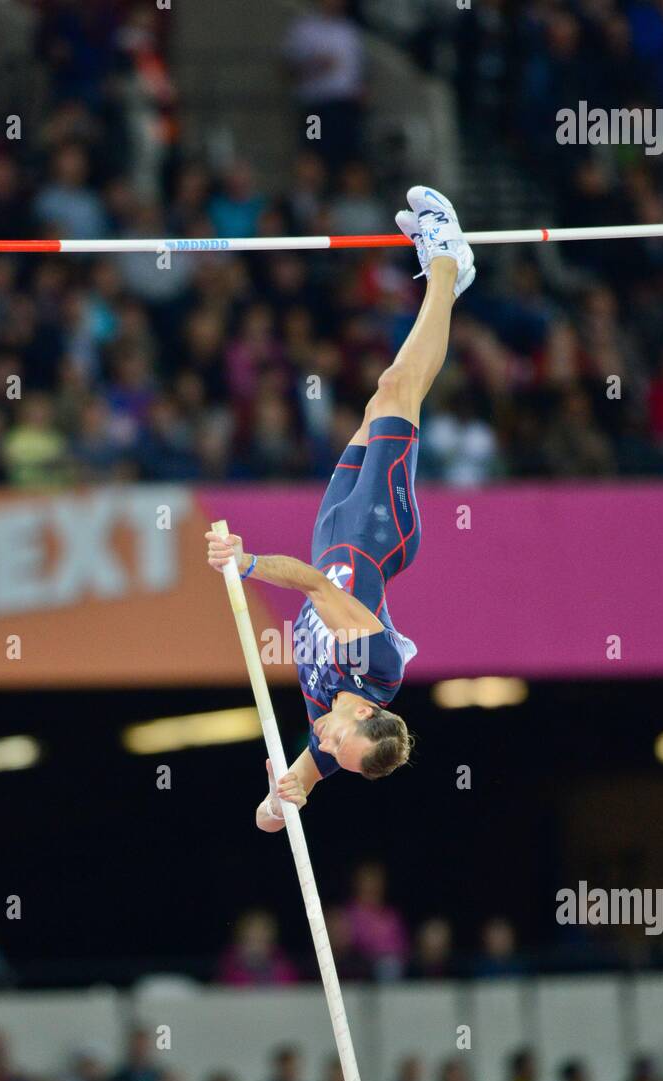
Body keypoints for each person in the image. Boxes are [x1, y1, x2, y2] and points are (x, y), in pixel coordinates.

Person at [206, 186, 475, 826]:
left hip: (335, 526)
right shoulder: (374, 665)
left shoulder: (332, 736)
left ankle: (447, 278)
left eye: (327, 755)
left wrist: (279, 801)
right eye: (333, 746)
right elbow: (309, 582)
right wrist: (245, 564)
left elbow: (268, 819)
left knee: (378, 402)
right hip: (378, 531)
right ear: (363, 714)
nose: (319, 747)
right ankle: (446, 261)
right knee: (395, 388)